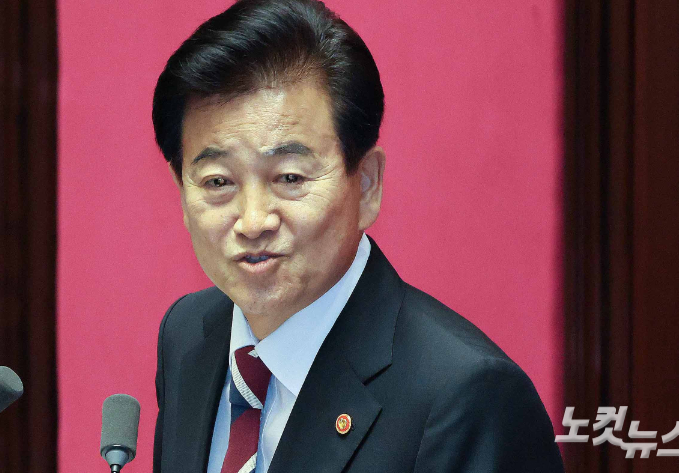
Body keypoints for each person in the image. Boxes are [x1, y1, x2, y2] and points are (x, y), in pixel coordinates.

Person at [151, 0, 565, 472]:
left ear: (366, 184)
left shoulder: (466, 398)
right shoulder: (189, 335)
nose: (252, 221)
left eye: (289, 177)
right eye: (218, 182)